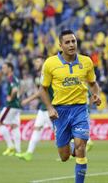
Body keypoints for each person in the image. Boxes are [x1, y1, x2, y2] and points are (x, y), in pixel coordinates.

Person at [40, 29, 101, 183]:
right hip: (60, 112)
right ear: (61, 45)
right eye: (67, 42)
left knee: (81, 147)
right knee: (64, 156)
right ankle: (70, 146)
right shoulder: (50, 63)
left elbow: (93, 84)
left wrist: (96, 94)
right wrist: (49, 108)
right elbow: (43, 89)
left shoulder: (86, 62)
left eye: (73, 41)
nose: (71, 44)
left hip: (80, 109)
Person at [19, 56, 52, 161]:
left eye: (38, 61)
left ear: (44, 62)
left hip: (51, 107)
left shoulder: (47, 74)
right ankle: (29, 153)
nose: (35, 64)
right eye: (35, 62)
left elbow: (40, 92)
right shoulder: (39, 75)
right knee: (37, 128)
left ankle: (73, 149)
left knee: (59, 132)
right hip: (43, 108)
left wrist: (27, 100)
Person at [0, 62, 22, 157]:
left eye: (4, 67)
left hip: (11, 105)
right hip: (17, 106)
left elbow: (15, 89)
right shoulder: (14, 78)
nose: (3, 69)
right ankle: (18, 150)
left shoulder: (11, 78)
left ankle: (10, 146)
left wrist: (11, 98)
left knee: (0, 123)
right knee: (14, 126)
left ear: (10, 69)